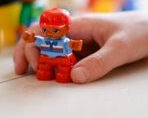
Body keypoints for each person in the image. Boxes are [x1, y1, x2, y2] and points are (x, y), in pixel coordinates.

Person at [14, 11, 148, 84]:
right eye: (44, 30)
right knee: (43, 70)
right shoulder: (44, 39)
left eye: (55, 30)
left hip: (63, 60)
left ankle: (62, 75)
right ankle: (45, 73)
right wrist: (31, 38)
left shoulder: (64, 41)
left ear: (66, 28)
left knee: (64, 72)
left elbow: (70, 43)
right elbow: (37, 40)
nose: (49, 33)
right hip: (45, 58)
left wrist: (75, 44)